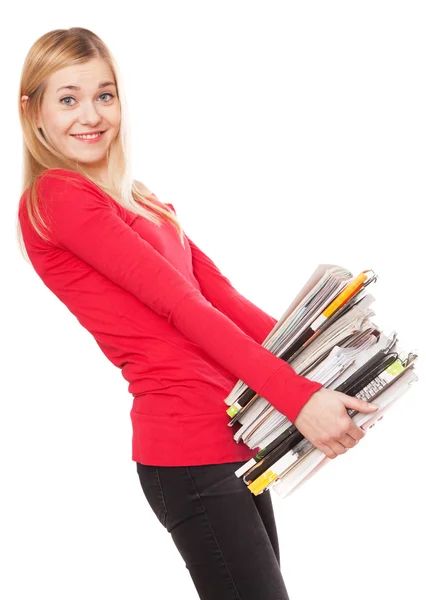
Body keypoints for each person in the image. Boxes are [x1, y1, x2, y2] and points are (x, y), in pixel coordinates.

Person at [17, 27, 378, 600]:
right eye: (68, 98)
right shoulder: (58, 198)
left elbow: (222, 301)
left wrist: (330, 364)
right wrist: (299, 397)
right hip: (186, 452)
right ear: (32, 111)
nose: (91, 115)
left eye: (104, 95)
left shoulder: (139, 198)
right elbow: (182, 308)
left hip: (235, 435)